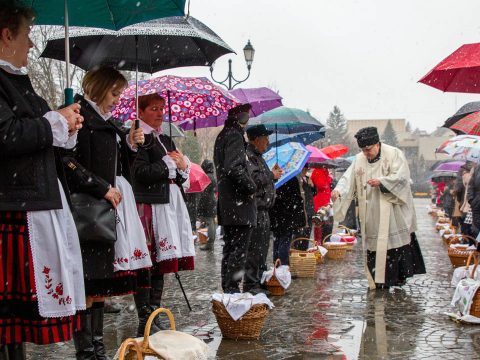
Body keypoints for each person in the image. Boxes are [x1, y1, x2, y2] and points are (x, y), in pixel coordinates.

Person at [0, 3, 86, 359]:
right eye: (27, 36)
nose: (32, 46)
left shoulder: (16, 80)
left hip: (27, 202)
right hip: (12, 205)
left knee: (13, 325)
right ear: (6, 35)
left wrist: (65, 122)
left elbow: (34, 134)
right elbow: (5, 134)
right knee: (7, 317)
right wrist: (53, 122)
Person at [63, 66, 151, 359]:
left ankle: (97, 350)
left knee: (99, 284)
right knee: (87, 285)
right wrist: (101, 187)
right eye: (114, 93)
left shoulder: (107, 123)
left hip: (103, 212)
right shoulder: (80, 118)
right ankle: (87, 353)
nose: (117, 99)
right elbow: (69, 164)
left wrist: (129, 144)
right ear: (98, 88)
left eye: (120, 93)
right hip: (86, 212)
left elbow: (120, 165)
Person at [131, 93, 194, 335]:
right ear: (142, 111)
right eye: (154, 109)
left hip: (168, 206)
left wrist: (181, 167)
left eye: (161, 108)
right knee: (147, 263)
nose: (159, 113)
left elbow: (177, 177)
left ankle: (155, 312)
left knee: (161, 264)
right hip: (149, 206)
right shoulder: (139, 137)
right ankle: (144, 318)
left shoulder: (165, 139)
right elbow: (140, 173)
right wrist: (166, 164)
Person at [332, 127, 425, 289]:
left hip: (392, 210)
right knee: (374, 246)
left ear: (377, 144)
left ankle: (395, 278)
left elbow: (402, 178)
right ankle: (378, 279)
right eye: (363, 150)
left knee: (393, 247)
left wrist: (383, 182)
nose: (366, 153)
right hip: (371, 211)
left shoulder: (393, 154)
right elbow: (348, 178)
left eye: (368, 149)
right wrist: (339, 190)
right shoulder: (360, 159)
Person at [214, 103, 257, 293]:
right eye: (246, 116)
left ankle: (229, 288)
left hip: (230, 203)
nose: (248, 120)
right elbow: (233, 168)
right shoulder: (234, 135)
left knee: (231, 248)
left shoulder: (224, 134)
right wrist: (251, 187)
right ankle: (231, 289)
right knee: (237, 250)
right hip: (238, 203)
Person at [244, 125, 283, 293]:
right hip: (256, 210)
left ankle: (258, 280)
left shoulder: (259, 157)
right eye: (265, 138)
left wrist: (271, 175)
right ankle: (251, 284)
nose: (267, 141)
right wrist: (271, 175)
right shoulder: (249, 156)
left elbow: (263, 179)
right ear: (256, 139)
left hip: (264, 210)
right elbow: (254, 179)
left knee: (262, 249)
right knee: (254, 249)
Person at [269, 175, 308, 265]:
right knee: (284, 240)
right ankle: (283, 266)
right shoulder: (290, 178)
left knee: (277, 240)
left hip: (276, 215)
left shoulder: (273, 177)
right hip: (287, 216)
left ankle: (276, 264)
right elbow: (297, 199)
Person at [197, 159, 218, 251]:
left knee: (208, 222)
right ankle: (209, 243)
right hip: (211, 201)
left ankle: (208, 244)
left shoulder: (207, 177)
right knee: (210, 222)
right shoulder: (212, 176)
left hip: (207, 203)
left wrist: (200, 204)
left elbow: (203, 193)